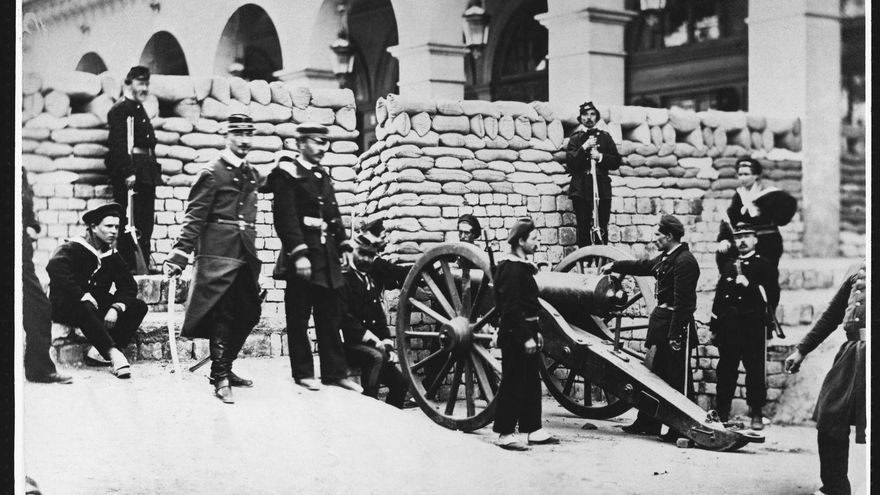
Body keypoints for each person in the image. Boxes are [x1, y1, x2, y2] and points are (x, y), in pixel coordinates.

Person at [163, 114, 263, 404]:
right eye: (238, 134)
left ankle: (225, 366)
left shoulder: (250, 172)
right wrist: (179, 254)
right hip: (217, 253)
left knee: (250, 313)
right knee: (224, 313)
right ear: (227, 136)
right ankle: (219, 375)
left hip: (244, 252)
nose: (245, 140)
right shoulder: (212, 172)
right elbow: (194, 216)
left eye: (249, 133)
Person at [262, 123, 362, 393]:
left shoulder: (322, 175)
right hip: (302, 257)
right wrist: (299, 254)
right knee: (299, 316)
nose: (322, 148)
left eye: (325, 143)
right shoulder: (287, 175)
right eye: (317, 142)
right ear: (301, 143)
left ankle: (334, 372)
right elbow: (285, 218)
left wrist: (343, 244)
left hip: (326, 257)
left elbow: (333, 212)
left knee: (330, 315)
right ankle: (303, 373)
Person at [601, 214, 699, 441]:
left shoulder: (685, 261)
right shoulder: (667, 258)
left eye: (657, 235)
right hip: (661, 324)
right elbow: (642, 266)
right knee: (653, 375)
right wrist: (615, 265)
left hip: (674, 327)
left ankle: (680, 428)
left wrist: (675, 334)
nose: (654, 239)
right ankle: (648, 422)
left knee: (676, 379)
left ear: (669, 236)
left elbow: (685, 303)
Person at [784, 262, 866, 495]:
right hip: (853, 354)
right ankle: (835, 487)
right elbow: (832, 315)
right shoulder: (857, 269)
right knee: (830, 416)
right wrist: (802, 350)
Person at [46, 202, 148, 379]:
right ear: (93, 227)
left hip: (93, 304)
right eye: (108, 226)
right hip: (66, 304)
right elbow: (55, 268)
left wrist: (116, 307)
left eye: (116, 226)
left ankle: (98, 352)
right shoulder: (72, 248)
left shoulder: (112, 254)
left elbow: (128, 285)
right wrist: (80, 294)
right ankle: (113, 354)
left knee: (138, 306)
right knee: (85, 305)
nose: (114, 231)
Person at [491, 217, 559, 451]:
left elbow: (531, 304)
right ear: (521, 241)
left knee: (531, 380)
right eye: (534, 239)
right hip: (514, 333)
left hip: (527, 329)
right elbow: (510, 309)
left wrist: (536, 331)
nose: (538, 243)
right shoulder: (510, 269)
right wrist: (525, 336)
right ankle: (505, 432)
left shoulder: (523, 267)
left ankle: (533, 428)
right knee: (513, 381)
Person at [709, 222, 779, 429]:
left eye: (747, 236)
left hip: (753, 328)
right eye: (738, 237)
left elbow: (772, 298)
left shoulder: (765, 265)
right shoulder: (730, 265)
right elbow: (720, 297)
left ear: (755, 239)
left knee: (755, 372)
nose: (742, 241)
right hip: (730, 328)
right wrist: (714, 326)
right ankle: (722, 413)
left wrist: (751, 286)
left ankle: (756, 413)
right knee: (726, 371)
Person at [339, 234, 409, 408]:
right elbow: (346, 321)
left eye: (370, 255)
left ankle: (391, 422)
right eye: (362, 254)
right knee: (376, 357)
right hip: (348, 346)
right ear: (353, 252)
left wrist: (388, 346)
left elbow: (380, 319)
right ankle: (370, 408)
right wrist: (374, 341)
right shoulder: (344, 280)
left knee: (401, 383)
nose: (366, 259)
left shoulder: (370, 281)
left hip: (371, 345)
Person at [105, 65, 162, 273]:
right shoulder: (120, 110)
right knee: (130, 219)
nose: (145, 88)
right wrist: (128, 171)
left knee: (145, 222)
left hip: (146, 171)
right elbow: (118, 145)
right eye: (140, 83)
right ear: (128, 84)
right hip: (131, 173)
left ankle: (143, 263)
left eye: (147, 83)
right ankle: (129, 265)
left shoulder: (139, 109)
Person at [22, 170, 72, 384]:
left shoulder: (19, 170)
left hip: (20, 252)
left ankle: (39, 369)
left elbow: (26, 204)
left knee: (40, 307)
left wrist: (31, 226)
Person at [564, 101, 622, 247]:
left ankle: (601, 263)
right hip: (581, 188)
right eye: (585, 115)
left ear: (596, 117)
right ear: (580, 118)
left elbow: (616, 161)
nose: (589, 118)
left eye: (592, 114)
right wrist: (584, 148)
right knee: (583, 226)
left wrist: (600, 157)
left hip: (601, 188)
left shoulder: (605, 137)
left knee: (602, 225)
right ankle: (585, 263)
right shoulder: (575, 138)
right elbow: (571, 163)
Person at [715, 158, 785, 267]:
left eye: (746, 174)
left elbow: (780, 215)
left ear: (756, 175)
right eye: (740, 174)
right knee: (723, 253)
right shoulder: (740, 195)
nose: (742, 178)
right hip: (747, 240)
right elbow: (730, 217)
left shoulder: (767, 193)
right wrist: (724, 239)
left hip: (767, 239)